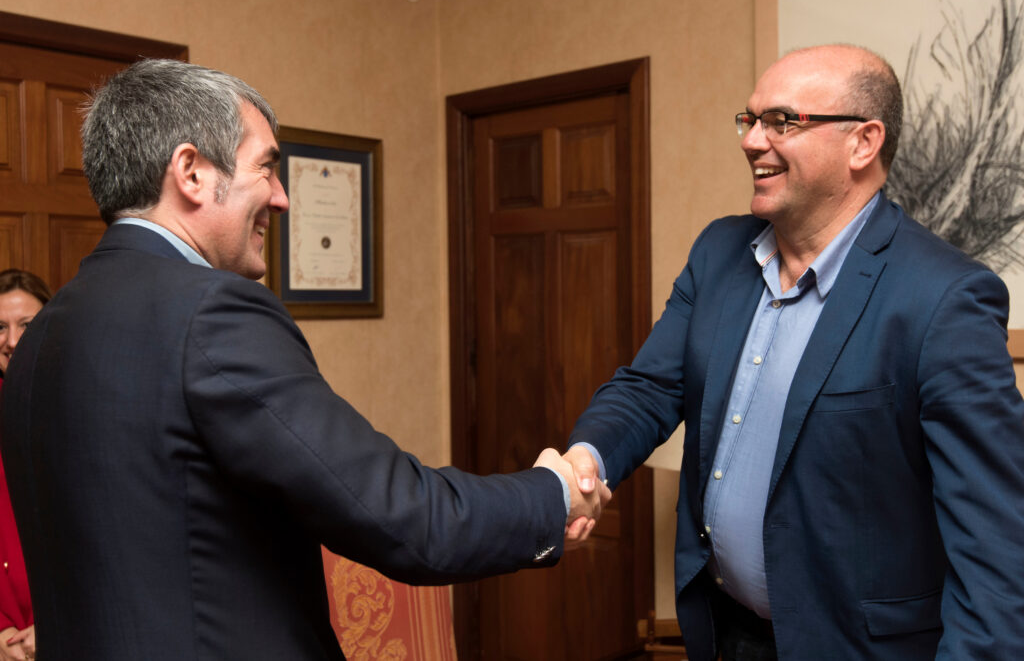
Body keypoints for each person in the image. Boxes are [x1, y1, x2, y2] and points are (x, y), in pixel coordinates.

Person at [0, 59, 608, 661]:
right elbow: (399, 515)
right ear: (191, 172)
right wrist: (551, 496)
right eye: (266, 167)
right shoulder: (212, 312)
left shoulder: (42, 339)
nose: (281, 197)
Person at [563, 44, 1024, 660]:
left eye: (782, 122)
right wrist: (584, 461)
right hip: (727, 632)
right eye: (750, 119)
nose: (753, 141)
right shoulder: (719, 253)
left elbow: (995, 545)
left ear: (863, 143)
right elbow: (649, 388)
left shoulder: (944, 298)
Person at [0, 269, 50, 661]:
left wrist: (55, 624)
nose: (12, 342)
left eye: (26, 325)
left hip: (67, 624)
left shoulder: (81, 402)